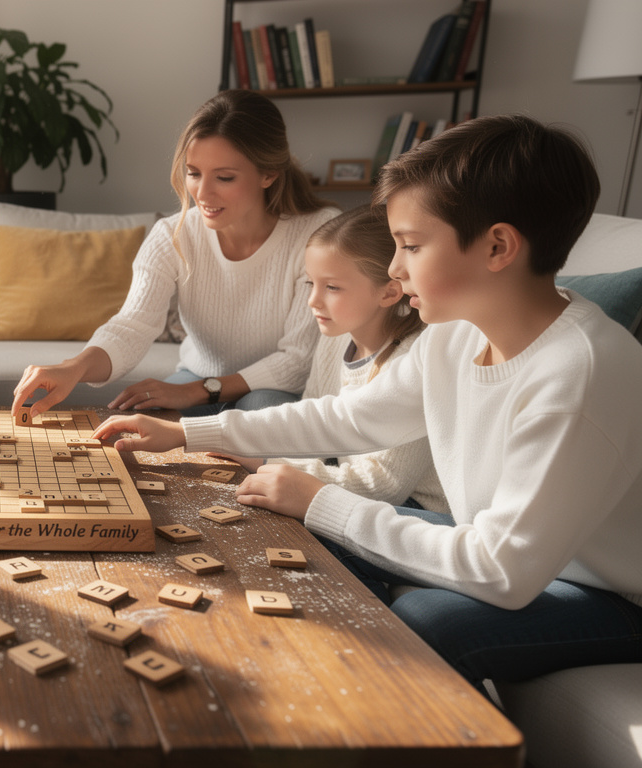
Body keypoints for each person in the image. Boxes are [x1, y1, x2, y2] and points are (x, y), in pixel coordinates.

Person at [94, 114, 642, 689]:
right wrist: (187, 435)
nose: (395, 268)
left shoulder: (575, 374)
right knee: (264, 515)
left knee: (427, 618)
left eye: (410, 245)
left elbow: (501, 569)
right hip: (501, 548)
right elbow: (351, 417)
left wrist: (320, 499)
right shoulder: (458, 332)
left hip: (608, 591)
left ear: (498, 246)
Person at [11, 90, 338, 419]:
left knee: (257, 428)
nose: (202, 193)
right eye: (194, 173)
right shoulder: (172, 234)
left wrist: (198, 391)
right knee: (129, 434)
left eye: (224, 177)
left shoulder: (317, 235)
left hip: (271, 389)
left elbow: (297, 361)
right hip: (195, 381)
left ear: (269, 174)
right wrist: (74, 368)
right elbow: (133, 326)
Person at [216, 205, 446, 514]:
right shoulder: (336, 334)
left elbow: (381, 487)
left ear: (390, 293)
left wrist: (266, 460)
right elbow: (316, 418)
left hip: (408, 506)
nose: (313, 301)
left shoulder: (410, 359)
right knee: (257, 402)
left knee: (271, 506)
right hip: (346, 462)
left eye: (332, 287)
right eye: (311, 284)